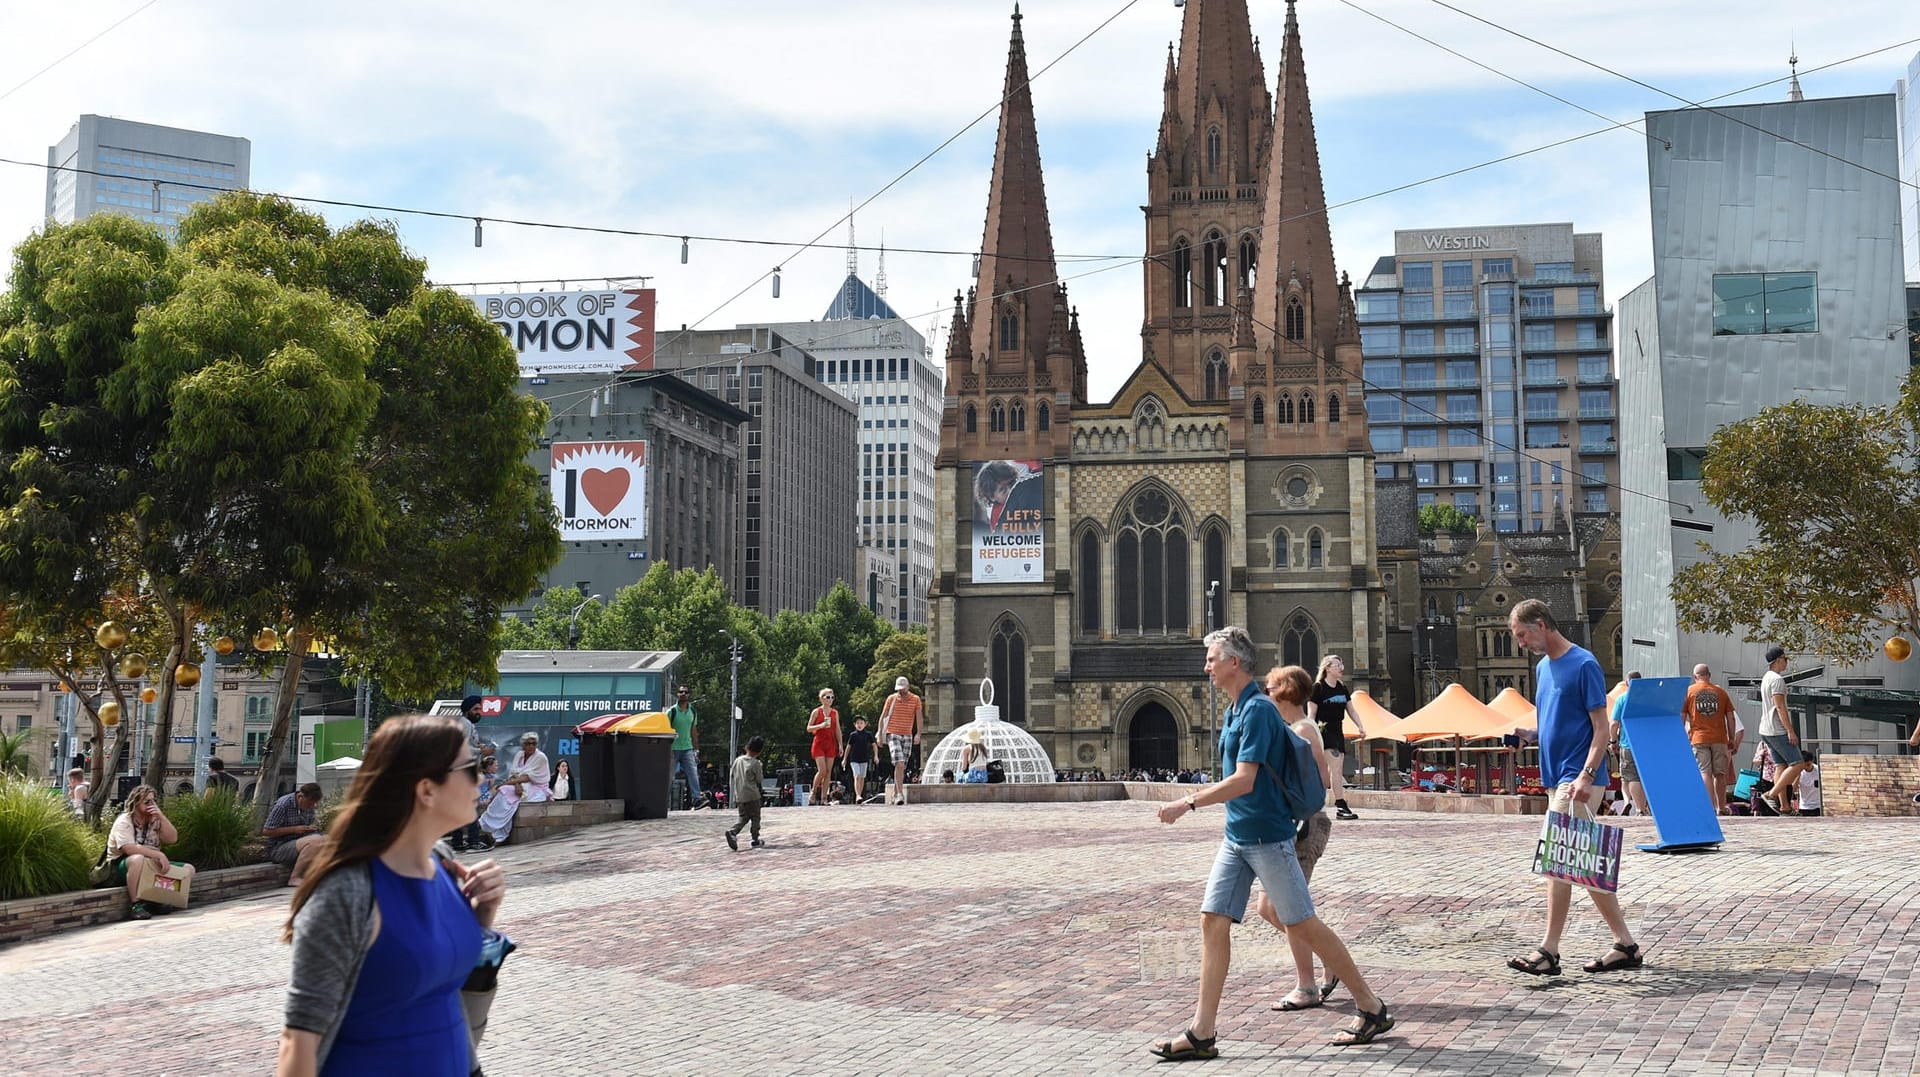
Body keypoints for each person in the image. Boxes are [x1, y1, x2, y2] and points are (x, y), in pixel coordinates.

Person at [1149, 627, 1393, 1060]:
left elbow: (1245, 779)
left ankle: (1370, 1007)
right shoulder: (1233, 709)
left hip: (1267, 836)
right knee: (1213, 920)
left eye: (1211, 659)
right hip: (1237, 837)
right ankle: (1202, 1031)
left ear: (1234, 663)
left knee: (1301, 923)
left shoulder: (1259, 711)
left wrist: (1186, 802)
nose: (1206, 666)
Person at [277, 714, 505, 1076]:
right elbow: (298, 1042)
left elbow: (443, 990)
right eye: (471, 767)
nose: (482, 778)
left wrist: (479, 917)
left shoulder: (443, 864)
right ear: (426, 789)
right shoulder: (348, 892)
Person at [1505, 599, 1643, 977]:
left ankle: (1548, 950)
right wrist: (1527, 736)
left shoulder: (1584, 664)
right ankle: (1625, 945)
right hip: (1556, 778)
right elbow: (1556, 723)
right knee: (1581, 864)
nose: (1521, 643)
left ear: (1542, 624)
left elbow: (1600, 729)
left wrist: (1585, 774)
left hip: (1577, 779)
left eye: (1522, 635)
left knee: (1558, 861)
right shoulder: (1543, 668)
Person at [1255, 665, 1342, 1010]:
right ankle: (1329, 959)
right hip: (1283, 827)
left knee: (1290, 910)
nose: (1266, 692)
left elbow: (1319, 780)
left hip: (1302, 828)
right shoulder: (1292, 727)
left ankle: (1307, 986)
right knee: (1267, 907)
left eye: (1271, 686)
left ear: (1286, 690)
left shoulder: (1303, 730)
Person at [106, 784, 183, 921]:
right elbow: (129, 849)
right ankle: (136, 905)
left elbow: (172, 839)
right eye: (147, 802)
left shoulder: (155, 819)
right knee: (137, 859)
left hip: (150, 865)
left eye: (153, 801)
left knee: (188, 870)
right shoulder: (124, 821)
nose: (151, 804)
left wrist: (161, 817)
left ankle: (156, 900)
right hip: (120, 867)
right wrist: (158, 854)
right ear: (136, 803)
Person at [1306, 654, 1365, 820]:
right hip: (1324, 731)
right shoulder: (1318, 688)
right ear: (1328, 668)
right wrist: (1310, 733)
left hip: (1338, 731)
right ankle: (1341, 805)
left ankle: (1318, 802)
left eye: (1341, 664)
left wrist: (1360, 726)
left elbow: (1351, 710)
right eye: (1337, 665)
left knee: (1331, 770)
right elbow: (1311, 713)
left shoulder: (1342, 688)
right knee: (1336, 768)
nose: (1341, 668)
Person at [1758, 646, 1810, 813]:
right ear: (1778, 660)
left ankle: (1785, 806)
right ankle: (1771, 794)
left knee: (1780, 766)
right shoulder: (1777, 680)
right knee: (1798, 763)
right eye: (1785, 659)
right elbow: (1780, 707)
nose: (1786, 662)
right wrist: (1790, 730)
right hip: (1777, 729)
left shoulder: (1766, 677)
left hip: (1765, 728)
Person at [1681, 664, 1737, 814]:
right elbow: (1730, 717)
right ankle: (1721, 807)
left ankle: (1709, 808)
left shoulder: (1689, 692)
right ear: (1709, 675)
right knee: (1720, 774)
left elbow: (1682, 715)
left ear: (1695, 677)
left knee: (1704, 771)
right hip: (1719, 738)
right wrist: (1731, 737)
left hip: (1698, 738)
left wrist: (1681, 736)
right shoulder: (1721, 692)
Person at [478, 732, 551, 844]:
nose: (531, 746)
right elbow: (514, 773)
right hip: (518, 784)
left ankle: (498, 834)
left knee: (506, 790)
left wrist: (511, 783)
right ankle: (489, 825)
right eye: (528, 743)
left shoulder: (541, 757)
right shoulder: (519, 755)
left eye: (534, 743)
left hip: (537, 787)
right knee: (503, 790)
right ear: (523, 745)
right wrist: (515, 784)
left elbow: (529, 777)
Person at [265, 783, 327, 887]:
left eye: (313, 804)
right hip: (279, 847)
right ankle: (294, 878)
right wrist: (295, 829)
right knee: (315, 841)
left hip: (299, 842)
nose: (311, 807)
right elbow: (267, 831)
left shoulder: (309, 806)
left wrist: (309, 829)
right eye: (309, 804)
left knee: (328, 839)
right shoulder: (283, 805)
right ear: (300, 797)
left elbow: (308, 826)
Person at [1609, 673, 1648, 815]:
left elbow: (1614, 724)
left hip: (1628, 744)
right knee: (1642, 777)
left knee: (1631, 777)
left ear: (1627, 682)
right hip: (1645, 745)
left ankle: (1638, 808)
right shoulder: (1646, 700)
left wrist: (1613, 741)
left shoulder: (1622, 699)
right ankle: (1641, 806)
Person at [880, 676, 923, 805]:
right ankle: (900, 794)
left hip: (907, 734)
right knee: (899, 762)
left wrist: (919, 734)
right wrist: (879, 733)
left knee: (902, 765)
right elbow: (883, 716)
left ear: (908, 687)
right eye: (899, 689)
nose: (901, 692)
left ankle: (895, 793)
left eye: (903, 689)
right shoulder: (891, 698)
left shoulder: (915, 699)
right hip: (893, 733)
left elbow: (919, 717)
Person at [725, 736, 767, 850]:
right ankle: (755, 839)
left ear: (747, 747)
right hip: (753, 795)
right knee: (755, 818)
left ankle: (733, 832)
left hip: (740, 796)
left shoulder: (738, 760)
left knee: (743, 818)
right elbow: (759, 779)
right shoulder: (756, 763)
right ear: (759, 751)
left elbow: (732, 774)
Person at [666, 685, 703, 810]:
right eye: (680, 692)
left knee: (693, 773)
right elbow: (666, 729)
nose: (683, 694)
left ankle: (697, 799)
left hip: (687, 748)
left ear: (689, 695)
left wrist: (696, 748)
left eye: (685, 692)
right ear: (677, 694)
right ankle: (663, 801)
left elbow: (693, 730)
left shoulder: (692, 711)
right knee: (669, 775)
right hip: (673, 748)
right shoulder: (672, 711)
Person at [807, 688, 840, 807]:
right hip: (819, 742)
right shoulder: (816, 712)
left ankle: (824, 798)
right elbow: (809, 728)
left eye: (832, 697)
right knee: (822, 770)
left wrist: (840, 744)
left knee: (828, 772)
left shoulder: (835, 713)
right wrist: (821, 725)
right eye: (828, 697)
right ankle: (813, 792)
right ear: (822, 698)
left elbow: (837, 729)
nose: (830, 699)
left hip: (830, 743)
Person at [844, 716, 877, 802]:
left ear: (865, 724)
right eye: (857, 723)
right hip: (854, 759)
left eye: (861, 723)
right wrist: (844, 759)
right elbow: (848, 747)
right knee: (857, 775)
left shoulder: (868, 734)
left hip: (864, 758)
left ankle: (859, 795)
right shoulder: (853, 735)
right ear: (855, 725)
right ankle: (858, 795)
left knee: (862, 777)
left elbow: (874, 745)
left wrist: (876, 756)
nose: (859, 725)